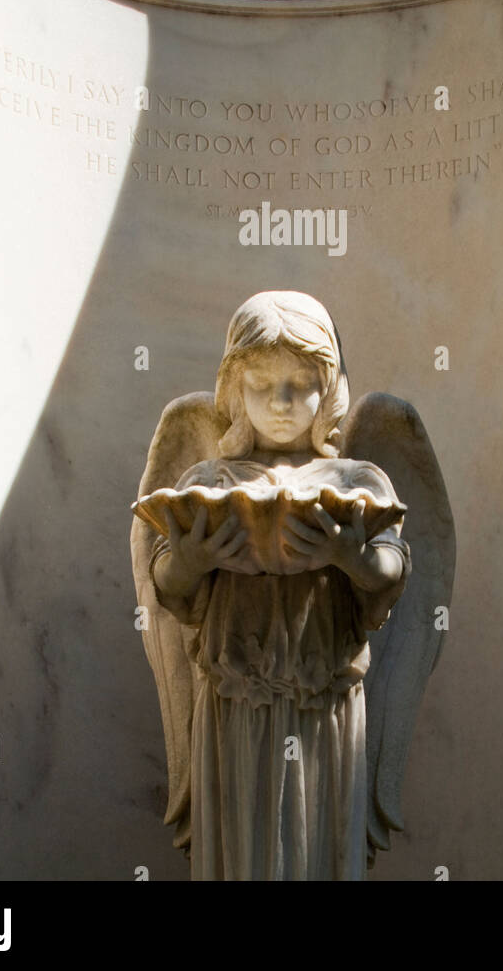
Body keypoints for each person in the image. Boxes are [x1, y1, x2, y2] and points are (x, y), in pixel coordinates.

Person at [148, 291, 410, 880]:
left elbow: (392, 575)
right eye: (262, 384)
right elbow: (167, 588)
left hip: (324, 703)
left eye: (300, 382)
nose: (283, 401)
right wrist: (190, 560)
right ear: (233, 390)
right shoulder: (208, 480)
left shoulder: (355, 480)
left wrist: (351, 555)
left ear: (330, 387)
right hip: (233, 701)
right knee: (241, 846)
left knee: (313, 841)